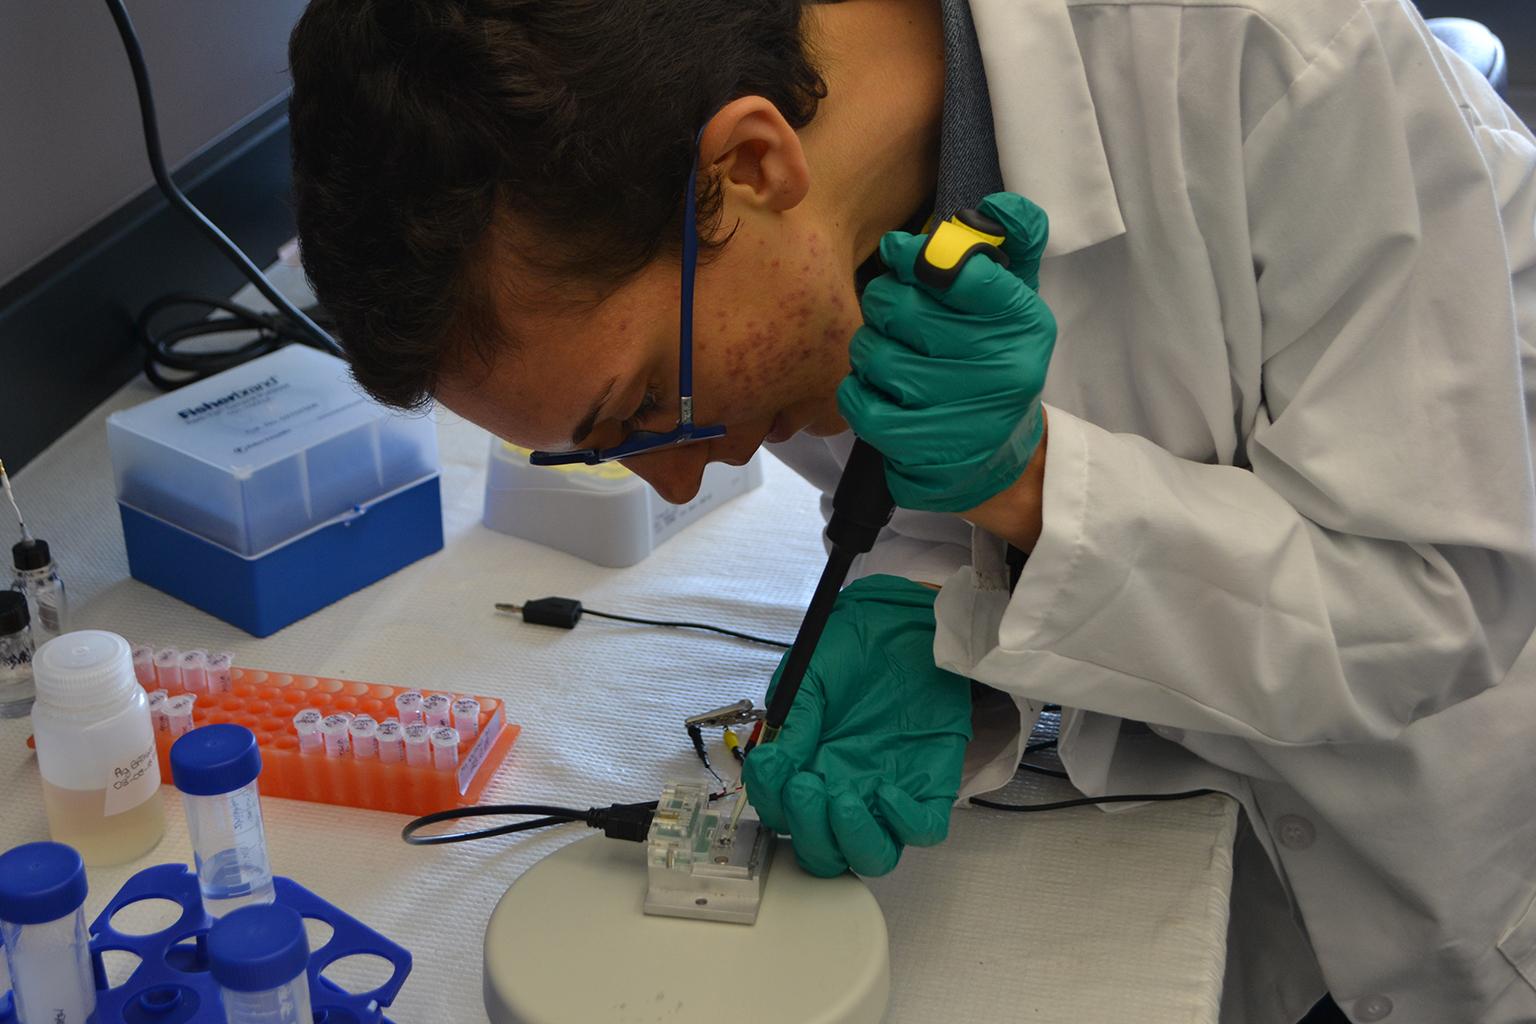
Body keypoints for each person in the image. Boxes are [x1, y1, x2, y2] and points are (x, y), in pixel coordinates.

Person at [285, 1, 1536, 1021]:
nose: (679, 483)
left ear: (752, 166)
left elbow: (1431, 603)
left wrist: (1029, 482)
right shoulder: (783, 222)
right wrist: (931, 593)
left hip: (1454, 829)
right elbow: (927, 494)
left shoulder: (1267, 51)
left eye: (633, 410)